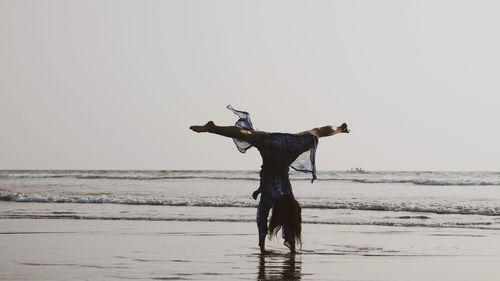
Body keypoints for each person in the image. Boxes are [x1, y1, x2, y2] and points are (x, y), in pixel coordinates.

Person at [190, 106, 349, 254]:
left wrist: (261, 247)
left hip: (285, 143)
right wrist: (265, 247)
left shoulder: (283, 195)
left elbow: (264, 219)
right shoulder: (283, 194)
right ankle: (341, 128)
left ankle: (212, 128)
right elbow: (285, 220)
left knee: (314, 132)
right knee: (248, 134)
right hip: (286, 145)